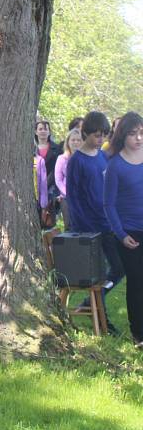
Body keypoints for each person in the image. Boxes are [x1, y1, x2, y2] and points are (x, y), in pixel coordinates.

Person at [66, 111, 124, 332]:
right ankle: (102, 320)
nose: (100, 140)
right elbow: (74, 199)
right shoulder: (76, 161)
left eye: (103, 135)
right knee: (99, 274)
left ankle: (90, 304)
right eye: (96, 135)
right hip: (89, 228)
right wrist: (84, 229)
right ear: (85, 133)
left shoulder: (102, 156)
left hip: (108, 222)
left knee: (118, 269)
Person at [103, 112, 143, 348]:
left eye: (141, 133)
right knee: (137, 282)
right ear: (123, 136)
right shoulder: (115, 165)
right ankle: (139, 334)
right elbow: (108, 204)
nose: (138, 138)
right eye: (132, 134)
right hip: (129, 234)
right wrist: (121, 234)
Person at [54, 128, 83, 230]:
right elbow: (58, 180)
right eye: (73, 140)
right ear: (68, 142)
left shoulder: (85, 158)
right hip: (67, 198)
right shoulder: (62, 158)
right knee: (70, 227)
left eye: (78, 140)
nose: (76, 142)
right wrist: (68, 193)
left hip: (84, 197)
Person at [34, 120, 62, 222]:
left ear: (49, 132)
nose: (43, 131)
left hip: (52, 188)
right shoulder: (31, 149)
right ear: (36, 132)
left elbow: (58, 169)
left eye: (46, 129)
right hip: (35, 187)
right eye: (40, 129)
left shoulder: (57, 148)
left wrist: (48, 184)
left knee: (49, 220)